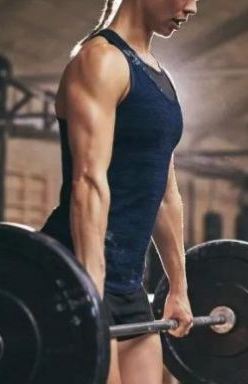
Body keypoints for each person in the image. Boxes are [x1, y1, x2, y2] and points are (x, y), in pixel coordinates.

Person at [40, 0, 199, 383]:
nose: (192, 7)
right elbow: (88, 183)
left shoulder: (159, 75)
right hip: (79, 272)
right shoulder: (100, 60)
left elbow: (165, 195)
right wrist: (91, 295)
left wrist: (177, 287)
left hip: (128, 282)